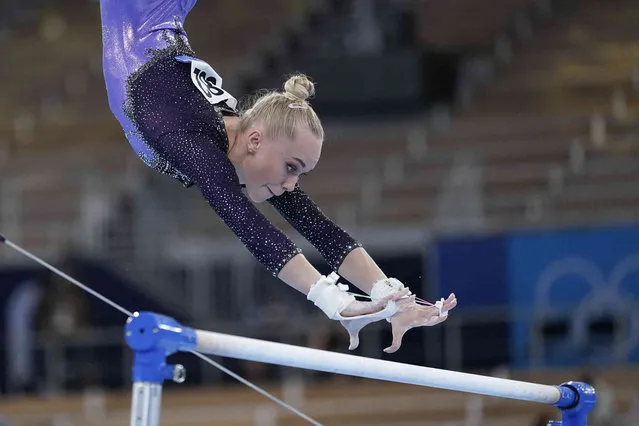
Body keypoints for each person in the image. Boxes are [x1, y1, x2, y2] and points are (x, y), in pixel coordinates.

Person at [99, 0, 456, 353]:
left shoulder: (248, 140)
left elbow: (318, 227)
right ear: (254, 140)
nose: (291, 184)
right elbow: (248, 225)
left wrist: (393, 298)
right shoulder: (191, 135)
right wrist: (337, 303)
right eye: (292, 168)